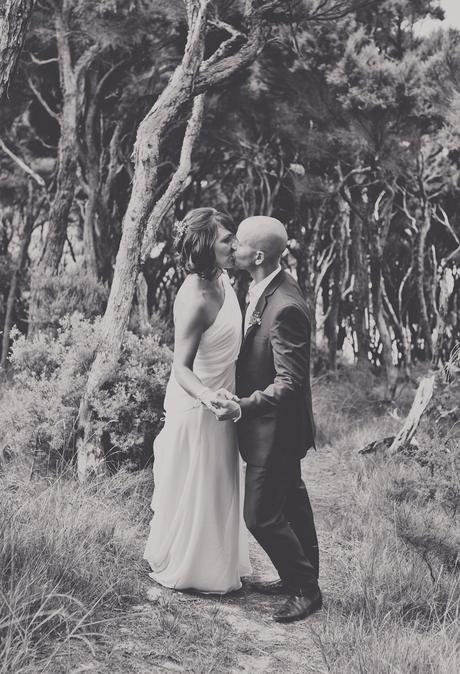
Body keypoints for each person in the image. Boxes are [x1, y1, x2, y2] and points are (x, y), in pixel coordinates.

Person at [214, 215, 321, 623]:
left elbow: (290, 383)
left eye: (238, 243)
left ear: (256, 255)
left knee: (260, 515)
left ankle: (306, 590)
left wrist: (243, 406)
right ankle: (299, 578)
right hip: (275, 427)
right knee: (292, 501)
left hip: (275, 429)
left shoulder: (285, 307)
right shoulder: (264, 284)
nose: (233, 247)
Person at [143, 207, 250, 594]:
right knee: (199, 486)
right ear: (206, 245)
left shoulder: (224, 278)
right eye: (226, 239)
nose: (234, 244)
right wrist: (208, 396)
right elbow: (180, 367)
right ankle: (193, 566)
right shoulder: (195, 298)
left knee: (220, 483)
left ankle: (221, 560)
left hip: (226, 401)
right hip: (200, 404)